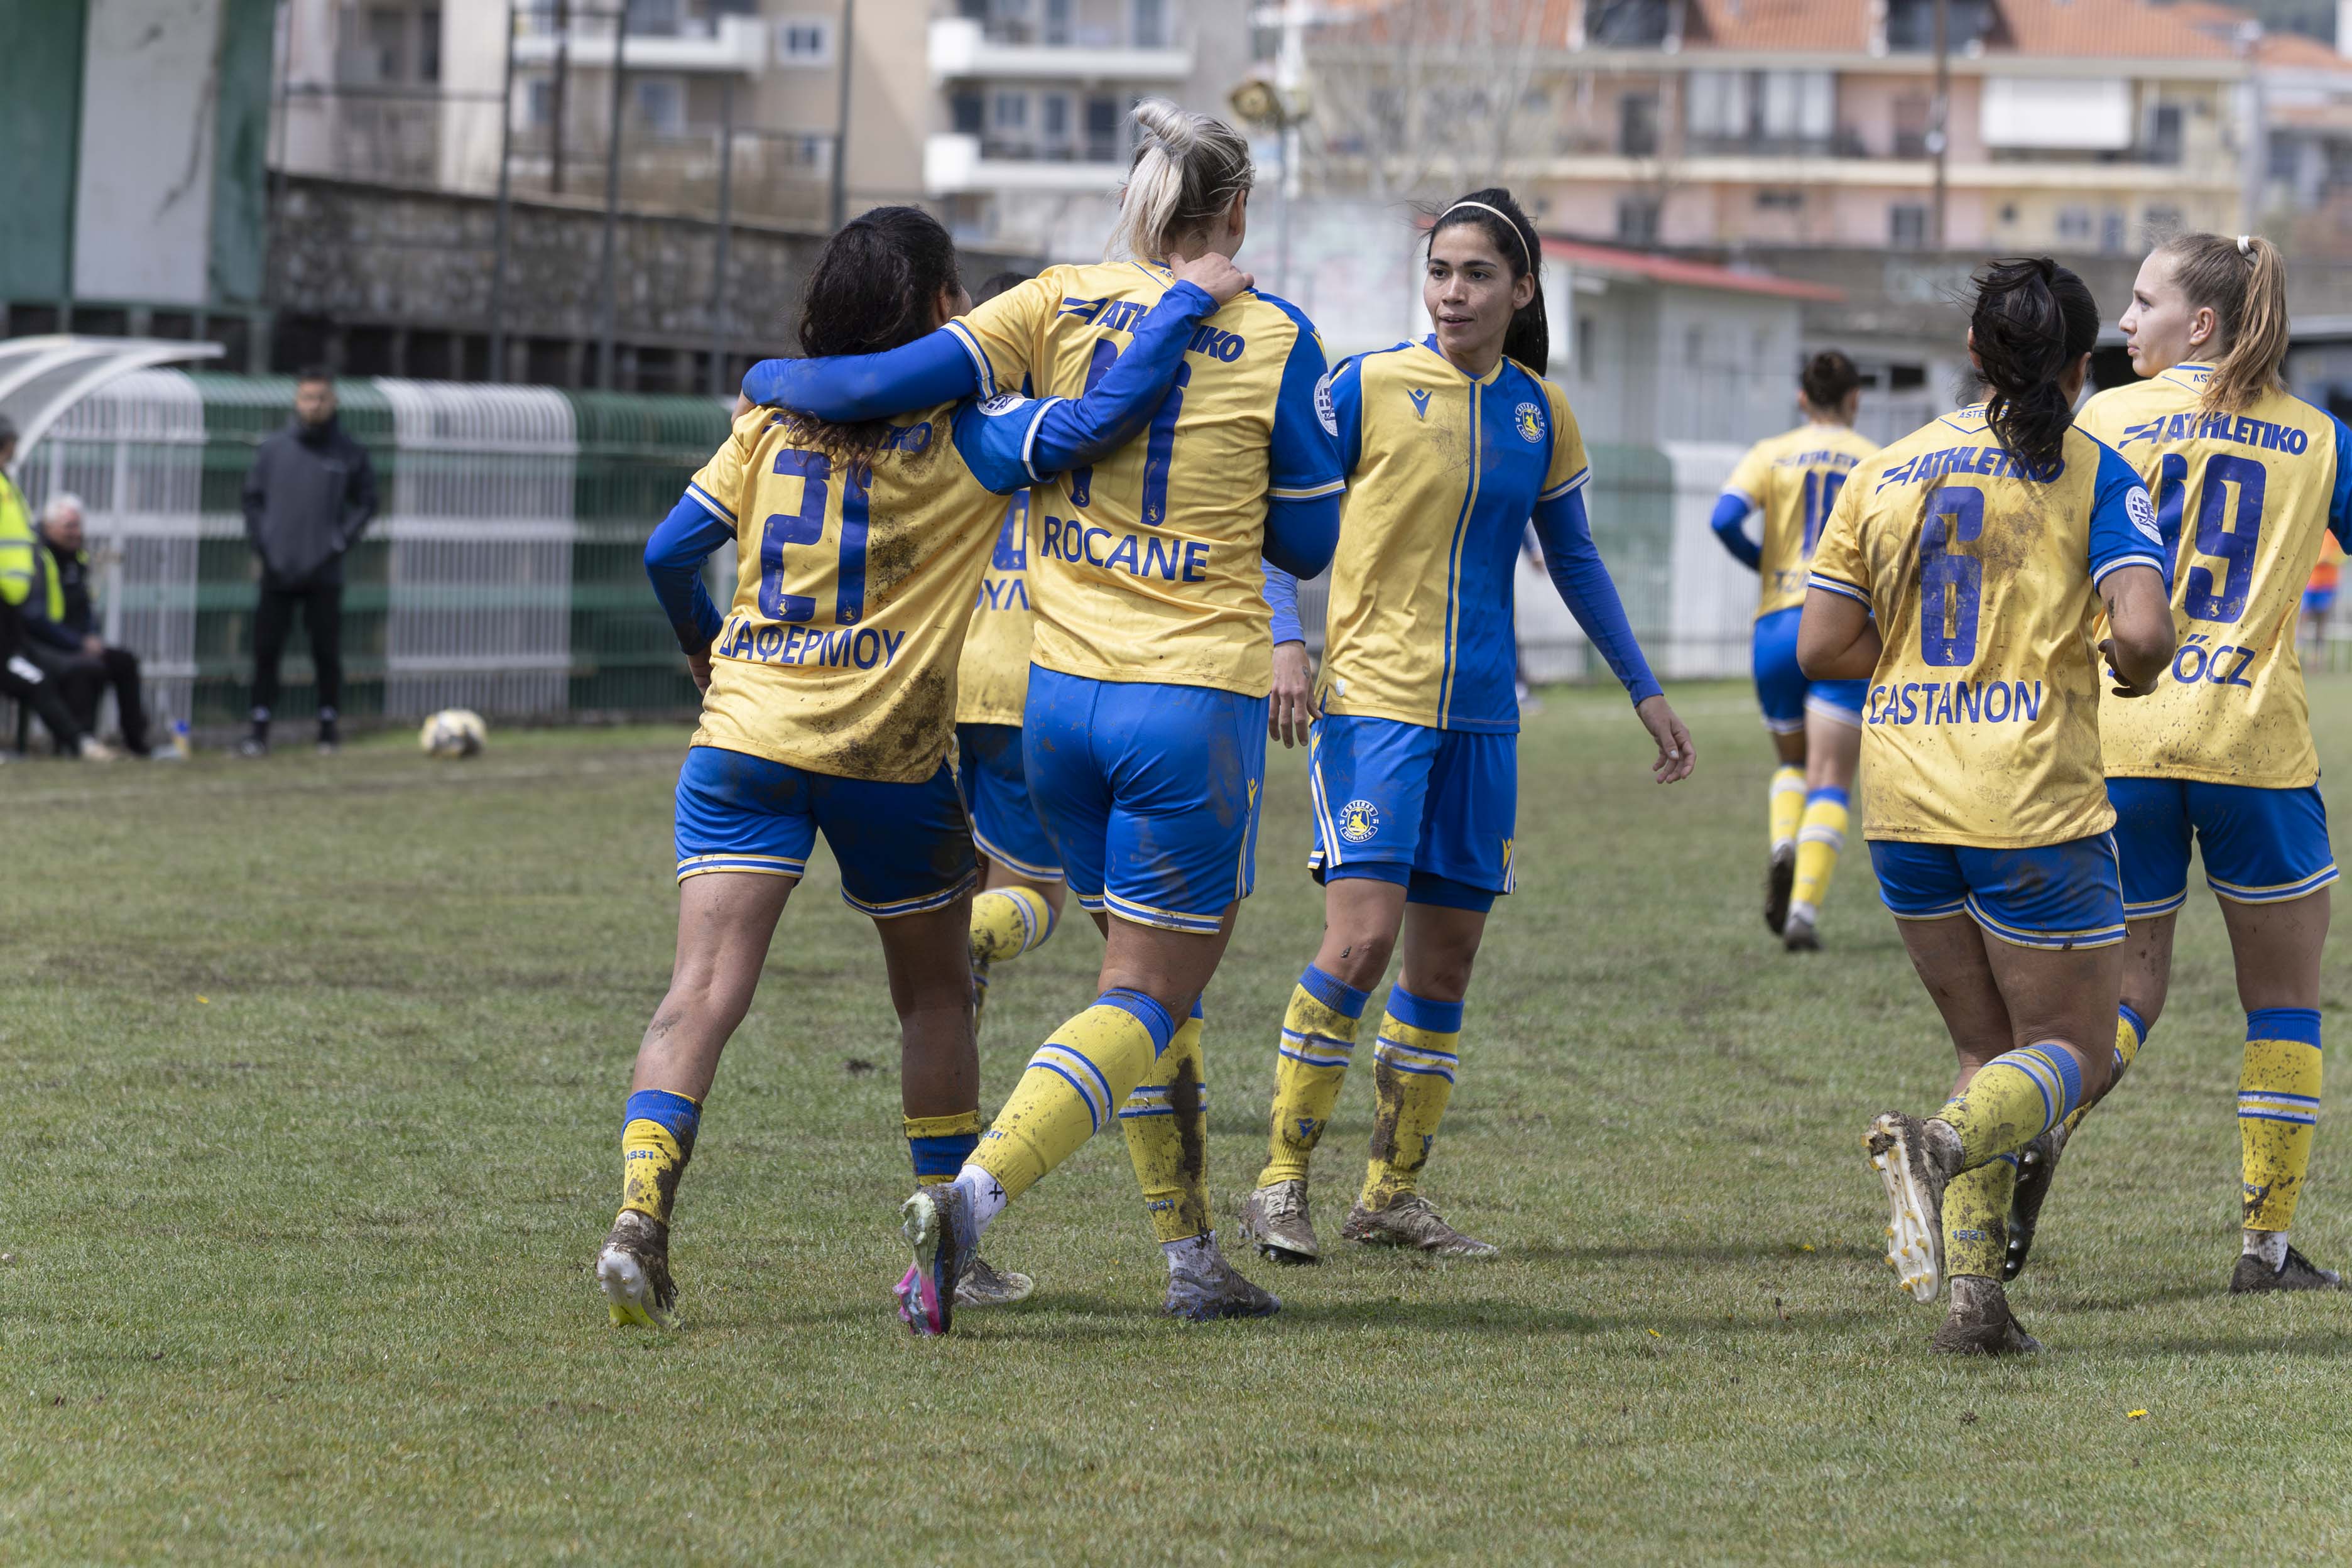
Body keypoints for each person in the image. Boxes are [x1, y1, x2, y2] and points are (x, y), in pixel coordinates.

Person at [742, 99, 1346, 1333]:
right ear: (1235, 211)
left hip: (1058, 702)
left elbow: (873, 384)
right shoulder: (1279, 334)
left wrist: (765, 379)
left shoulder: (1051, 302)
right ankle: (966, 1204)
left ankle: (1189, 1259)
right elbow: (1306, 537)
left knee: (1138, 988)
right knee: (1147, 995)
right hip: (1188, 701)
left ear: (1137, 198)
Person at [596, 206, 1248, 1332]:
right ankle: (950, 1249)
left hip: (743, 738)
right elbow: (1102, 416)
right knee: (936, 995)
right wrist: (1187, 300)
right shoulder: (971, 435)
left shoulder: (769, 426)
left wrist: (704, 646)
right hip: (883, 760)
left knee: (700, 991)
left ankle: (638, 1215)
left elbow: (667, 552)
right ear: (946, 308)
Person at [1238, 189, 1694, 1263]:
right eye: (1439, 271)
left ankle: (1389, 1196)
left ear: (1521, 289)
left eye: (1478, 274)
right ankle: (1278, 1183)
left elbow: (1573, 557)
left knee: (1443, 967)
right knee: (1359, 943)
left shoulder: (1540, 411)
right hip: (1373, 707)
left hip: (1484, 720)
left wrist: (1641, 687)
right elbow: (1275, 520)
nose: (1452, 292)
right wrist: (1284, 640)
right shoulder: (1363, 385)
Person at [1797, 258, 2174, 1353]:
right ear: (2080, 364)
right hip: (2029, 803)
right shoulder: (2095, 471)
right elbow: (2142, 633)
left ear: (1973, 352)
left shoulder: (1887, 469)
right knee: (2072, 1051)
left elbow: (1820, 644)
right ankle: (1940, 1145)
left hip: (1903, 802)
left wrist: (1918, 666)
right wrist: (2131, 671)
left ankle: (1975, 1303)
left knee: (1989, 1050)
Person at [2012, 233, 2352, 1293]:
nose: (2122, 321)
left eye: (2141, 301)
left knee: (2123, 995)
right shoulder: (2319, 438)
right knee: (2283, 1002)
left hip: (2119, 743)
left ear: (2198, 323)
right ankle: (2265, 1249)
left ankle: (2043, 1126)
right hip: (2254, 748)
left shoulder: (2102, 419)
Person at [1712, 352, 1879, 950]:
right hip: (1842, 625)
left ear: (1802, 398)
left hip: (1778, 625)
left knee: (1792, 765)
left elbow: (1723, 518)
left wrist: (1766, 566)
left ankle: (1784, 840)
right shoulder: (1873, 459)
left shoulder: (1770, 452)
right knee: (1831, 776)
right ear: (1855, 398)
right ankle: (1803, 912)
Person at [954, 270, 1069, 1032]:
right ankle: (952, 944)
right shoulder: (1068, 434)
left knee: (966, 877)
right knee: (1038, 897)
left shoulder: (953, 430)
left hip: (943, 686)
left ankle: (953, 1038)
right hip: (1026, 690)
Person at [240, 367, 376, 756]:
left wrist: (337, 541)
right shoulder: (273, 449)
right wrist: (265, 544)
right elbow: (252, 501)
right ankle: (259, 729)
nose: (314, 405)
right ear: (297, 401)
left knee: (326, 652)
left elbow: (367, 503)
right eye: (307, 398)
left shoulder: (349, 451)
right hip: (278, 569)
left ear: (334, 402)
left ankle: (328, 729)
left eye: (321, 398)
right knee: (266, 651)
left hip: (324, 571)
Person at [0, 418, 111, 761]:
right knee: (35, 679)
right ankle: (81, 744)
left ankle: (80, 743)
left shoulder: (8, 485)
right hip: (14, 611)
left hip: (10, 605)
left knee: (44, 674)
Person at [23, 493, 160, 758]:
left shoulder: (78, 558)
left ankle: (137, 743)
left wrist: (92, 637)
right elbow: (35, 617)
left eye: (79, 526)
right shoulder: (38, 557)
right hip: (45, 644)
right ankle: (80, 744)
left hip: (77, 641)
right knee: (86, 667)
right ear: (50, 527)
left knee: (124, 661)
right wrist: (78, 643)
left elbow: (85, 606)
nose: (76, 533)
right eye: (69, 526)